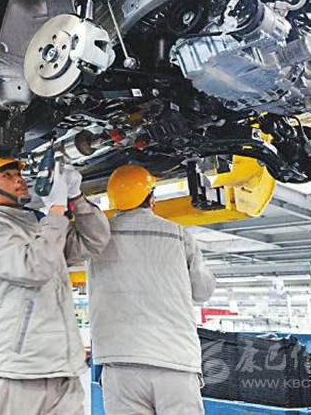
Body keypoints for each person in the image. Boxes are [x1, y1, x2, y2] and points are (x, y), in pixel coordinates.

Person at [0, 152, 110, 415]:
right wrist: (56, 211)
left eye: (18, 174)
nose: (19, 180)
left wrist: (76, 198)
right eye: (7, 175)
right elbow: (35, 268)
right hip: (17, 373)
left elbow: (95, 241)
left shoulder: (40, 227)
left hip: (62, 369)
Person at [89, 164, 216, 415]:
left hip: (119, 362)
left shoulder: (98, 237)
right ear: (151, 198)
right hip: (174, 361)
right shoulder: (177, 234)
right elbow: (202, 291)